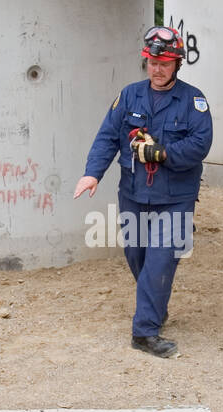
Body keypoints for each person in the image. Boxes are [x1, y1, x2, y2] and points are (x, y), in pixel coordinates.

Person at [74, 26, 213, 358]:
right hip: (134, 194)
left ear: (177, 63)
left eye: (164, 63)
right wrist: (92, 174)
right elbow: (107, 136)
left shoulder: (194, 101)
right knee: (137, 256)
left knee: (160, 258)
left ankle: (144, 332)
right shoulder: (129, 95)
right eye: (152, 62)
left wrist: (163, 153)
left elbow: (200, 144)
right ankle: (155, 306)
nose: (157, 69)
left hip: (175, 196)